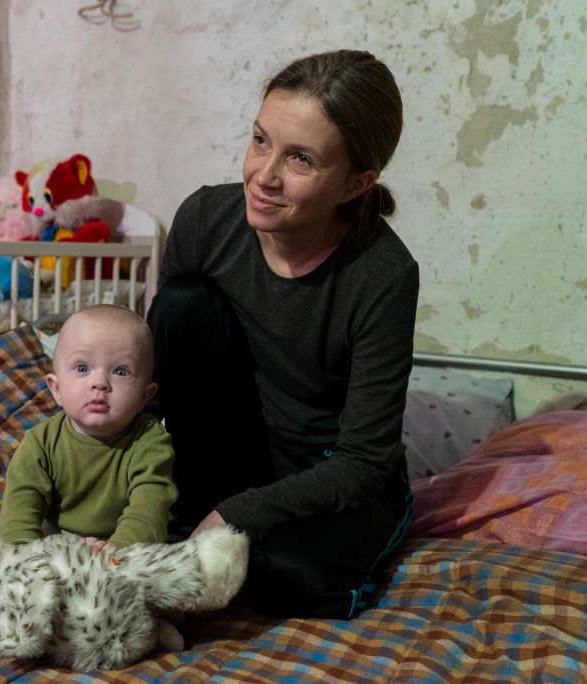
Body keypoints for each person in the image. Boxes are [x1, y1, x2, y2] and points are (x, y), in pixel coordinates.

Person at [147, 49, 418, 619]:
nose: (263, 175)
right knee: (180, 303)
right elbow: (162, 378)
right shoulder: (205, 221)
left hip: (330, 480)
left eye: (300, 159)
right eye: (260, 140)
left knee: (284, 577)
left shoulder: (382, 276)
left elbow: (364, 462)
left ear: (355, 183)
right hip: (227, 457)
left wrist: (238, 514)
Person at [0, 304, 177, 553]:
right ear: (56, 389)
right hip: (53, 545)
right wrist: (24, 555)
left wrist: (117, 550)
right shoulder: (41, 442)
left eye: (120, 371)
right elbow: (19, 506)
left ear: (144, 397)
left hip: (121, 547)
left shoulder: (150, 441)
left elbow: (150, 509)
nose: (99, 383)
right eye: (82, 368)